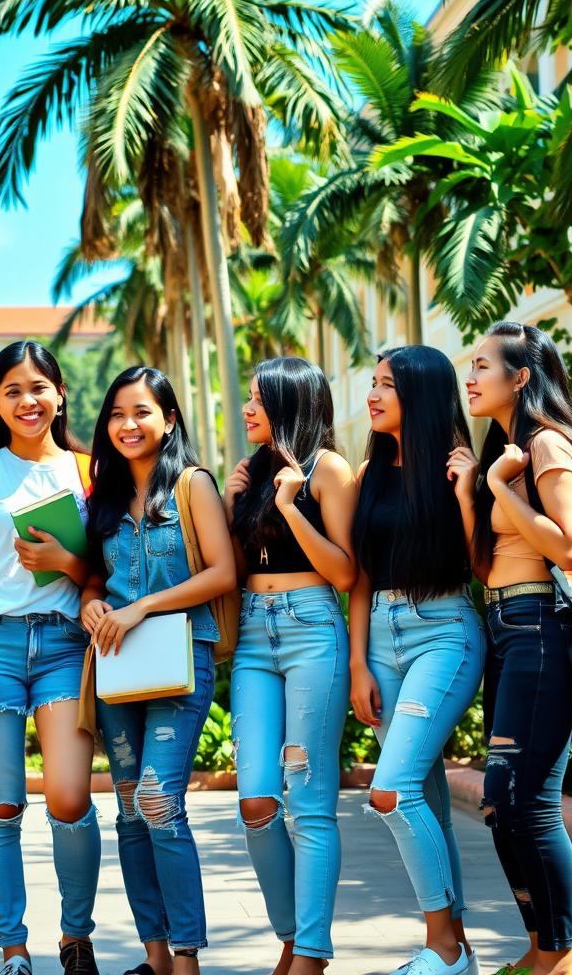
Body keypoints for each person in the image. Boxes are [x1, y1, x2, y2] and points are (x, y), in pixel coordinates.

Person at [0, 341, 100, 975]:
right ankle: (13, 948)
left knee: (67, 796)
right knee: (0, 803)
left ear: (59, 394)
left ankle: (76, 935)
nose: (27, 401)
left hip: (65, 644)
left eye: (38, 388)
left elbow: (109, 570)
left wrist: (67, 563)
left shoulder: (89, 473)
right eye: (12, 391)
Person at [450, 321, 572, 975]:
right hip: (506, 628)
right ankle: (543, 949)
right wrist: (471, 492)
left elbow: (568, 547)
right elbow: (487, 568)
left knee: (525, 804)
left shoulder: (546, 446)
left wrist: (498, 489)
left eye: (483, 365)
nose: (471, 376)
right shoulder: (508, 455)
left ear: (520, 377)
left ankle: (559, 957)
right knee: (501, 804)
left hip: (541, 626)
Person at [81, 367, 236, 975]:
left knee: (157, 797)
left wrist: (143, 604)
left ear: (169, 419)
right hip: (117, 665)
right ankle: (154, 955)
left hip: (182, 656)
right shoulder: (106, 497)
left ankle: (187, 955)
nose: (128, 425)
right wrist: (95, 599)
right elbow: (97, 574)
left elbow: (222, 572)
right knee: (127, 806)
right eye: (117, 414)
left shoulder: (193, 485)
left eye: (141, 412)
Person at [350, 347, 486, 975]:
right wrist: (358, 664)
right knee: (422, 800)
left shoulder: (463, 469)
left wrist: (465, 495)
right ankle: (455, 951)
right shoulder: (370, 473)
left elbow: (481, 567)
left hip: (445, 630)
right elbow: (359, 577)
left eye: (386, 386)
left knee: (392, 792)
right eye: (373, 384)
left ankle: (444, 946)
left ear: (422, 395)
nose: (373, 396)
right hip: (381, 638)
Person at [223, 357, 357, 975]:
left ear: (289, 404)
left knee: (308, 801)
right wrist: (229, 505)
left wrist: (292, 503)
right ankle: (291, 934)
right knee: (255, 800)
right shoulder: (247, 473)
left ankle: (308, 953)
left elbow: (344, 572)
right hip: (253, 633)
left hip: (312, 629)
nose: (247, 408)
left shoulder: (328, 469)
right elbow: (233, 565)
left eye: (258, 399)